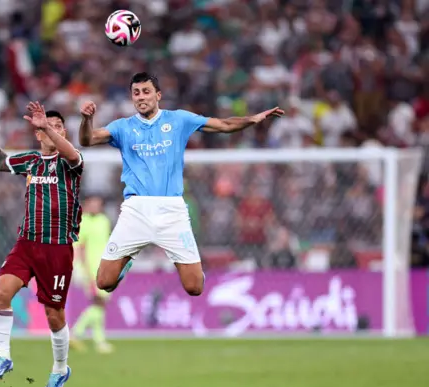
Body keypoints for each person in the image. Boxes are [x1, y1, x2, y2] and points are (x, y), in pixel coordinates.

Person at [78, 72, 283, 296]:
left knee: (194, 287)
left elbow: (223, 124)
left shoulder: (179, 120)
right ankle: (126, 262)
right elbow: (87, 140)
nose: (140, 97)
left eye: (146, 92)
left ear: (158, 95)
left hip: (172, 211)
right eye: (136, 93)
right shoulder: (123, 127)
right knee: (104, 282)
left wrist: (253, 119)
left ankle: (190, 267)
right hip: (136, 211)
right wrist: (87, 120)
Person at [0, 102, 83, 387]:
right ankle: (3, 356)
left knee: (53, 314)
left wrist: (47, 125)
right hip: (26, 244)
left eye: (59, 126)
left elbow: (72, 153)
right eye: (48, 126)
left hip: (57, 249)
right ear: (37, 134)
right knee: (0, 293)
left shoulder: (71, 163)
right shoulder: (31, 161)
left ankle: (60, 369)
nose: (53, 130)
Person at [70, 195, 114, 354]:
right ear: (86, 204)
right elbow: (80, 248)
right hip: (91, 268)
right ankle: (76, 333)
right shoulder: (83, 222)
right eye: (92, 203)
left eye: (98, 203)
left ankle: (99, 341)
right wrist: (86, 270)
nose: (96, 206)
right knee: (99, 302)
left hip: (105, 266)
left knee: (99, 304)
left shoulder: (104, 221)